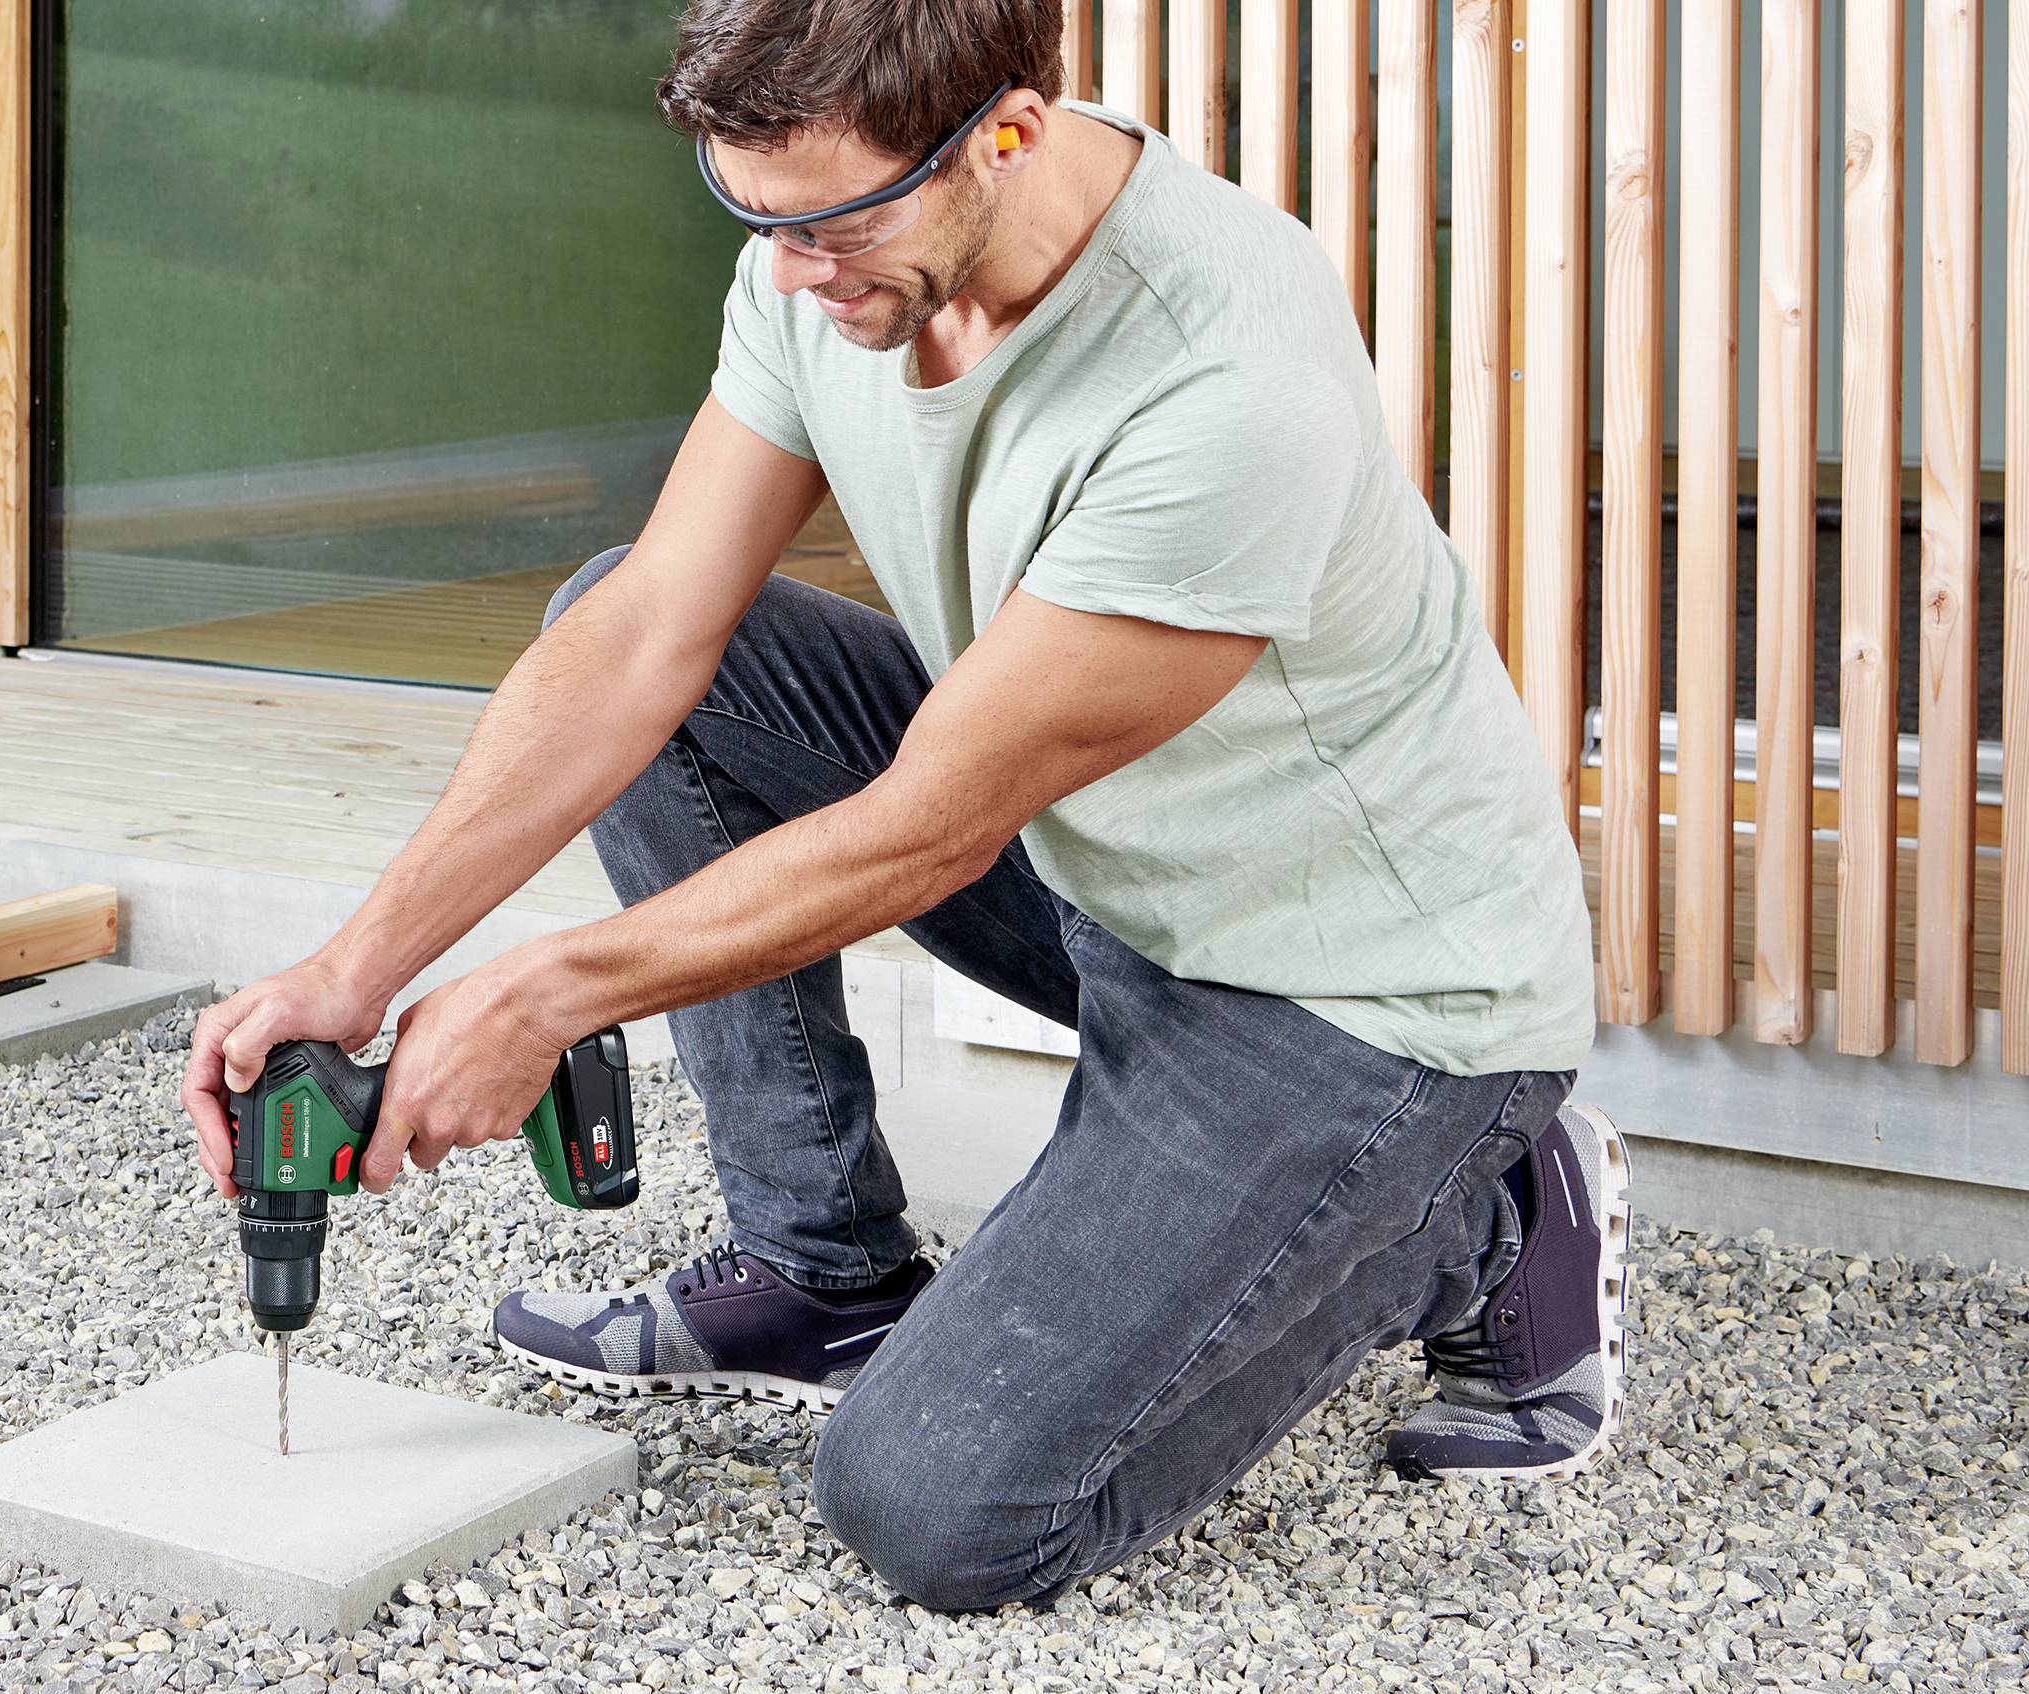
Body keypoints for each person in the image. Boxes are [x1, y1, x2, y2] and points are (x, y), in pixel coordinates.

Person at [179, 0, 1629, 1613]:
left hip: (1356, 994)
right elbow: (652, 631)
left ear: (1005, 130)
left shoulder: (1225, 375)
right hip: (1106, 882)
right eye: (756, 217)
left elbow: (932, 827)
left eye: (831, 222)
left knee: (937, 1513)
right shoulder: (827, 251)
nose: (790, 272)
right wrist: (359, 968)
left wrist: (541, 990)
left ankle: (1474, 1216)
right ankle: (820, 1273)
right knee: (658, 639)